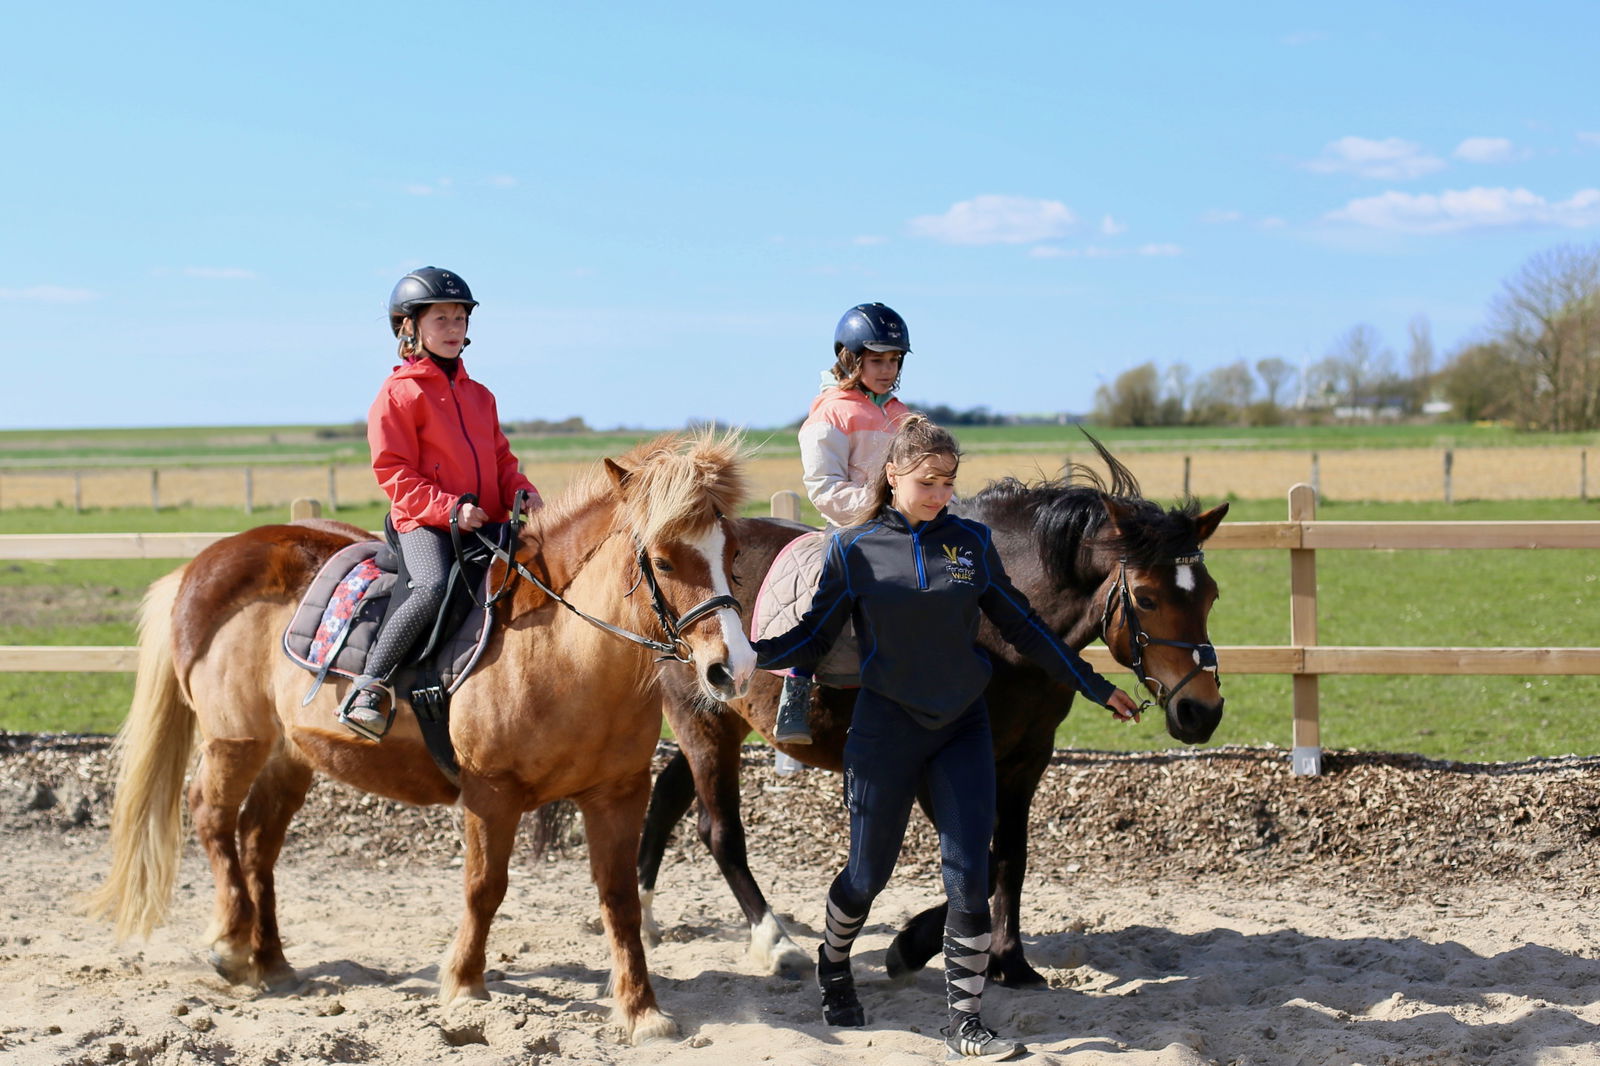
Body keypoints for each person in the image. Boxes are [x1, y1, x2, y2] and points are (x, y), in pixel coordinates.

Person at [752, 416, 1141, 1061]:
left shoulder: (971, 544)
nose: (939, 493)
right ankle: (836, 966)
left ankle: (966, 1019)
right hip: (884, 732)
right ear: (893, 478)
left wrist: (1095, 685)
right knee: (865, 876)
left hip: (962, 727)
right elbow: (814, 638)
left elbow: (1024, 628)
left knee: (968, 881)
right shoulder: (856, 549)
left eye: (948, 481)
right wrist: (753, 654)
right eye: (927, 481)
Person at [336, 266, 541, 741]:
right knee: (429, 587)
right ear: (410, 328)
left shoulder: (480, 396)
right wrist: (448, 509)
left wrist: (520, 490)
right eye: (441, 319)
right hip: (423, 524)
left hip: (485, 519)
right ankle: (370, 684)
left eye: (459, 319)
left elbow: (500, 458)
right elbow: (393, 472)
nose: (453, 329)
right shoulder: (398, 394)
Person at [772, 302, 913, 744]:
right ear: (851, 359)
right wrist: (882, 514)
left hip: (909, 525)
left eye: (894, 360)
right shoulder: (830, 414)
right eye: (877, 360)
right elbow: (824, 487)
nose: (887, 369)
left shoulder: (903, 413)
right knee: (835, 589)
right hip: (852, 526)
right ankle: (797, 686)